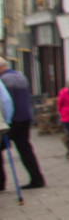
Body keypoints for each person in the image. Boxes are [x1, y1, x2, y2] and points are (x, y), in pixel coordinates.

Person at [0, 58, 45, 188]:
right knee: (25, 149)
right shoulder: (20, 76)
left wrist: (6, 120)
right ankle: (37, 178)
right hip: (25, 117)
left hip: (13, 120)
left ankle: (1, 182)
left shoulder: (4, 80)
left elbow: (6, 102)